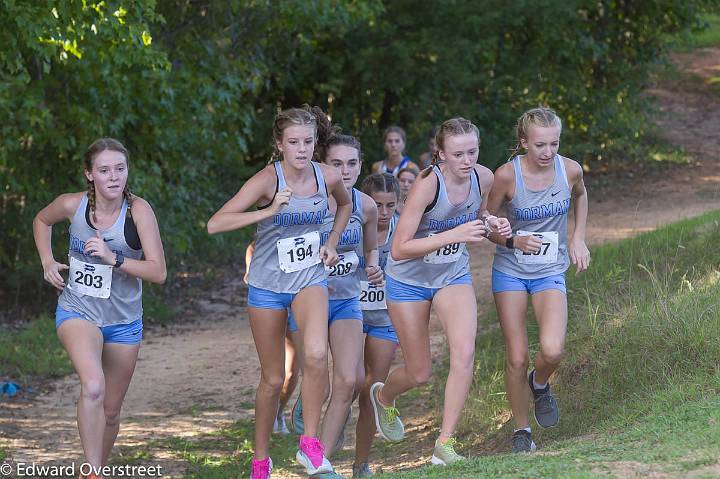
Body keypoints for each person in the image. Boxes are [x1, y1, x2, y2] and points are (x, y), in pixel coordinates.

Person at [207, 105, 351, 478]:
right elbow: (215, 223)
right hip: (267, 286)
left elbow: (346, 205)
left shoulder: (327, 176)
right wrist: (266, 211)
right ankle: (261, 459)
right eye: (293, 142)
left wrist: (332, 241)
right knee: (273, 379)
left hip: (309, 279)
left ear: (316, 142)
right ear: (279, 144)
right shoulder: (266, 181)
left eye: (308, 141)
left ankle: (311, 446)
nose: (302, 149)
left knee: (317, 356)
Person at [369, 118, 511, 465]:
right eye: (458, 154)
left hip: (451, 275)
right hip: (408, 280)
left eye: (472, 152)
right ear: (441, 154)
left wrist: (496, 225)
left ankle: (444, 444)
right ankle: (384, 397)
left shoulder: (484, 177)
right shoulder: (427, 185)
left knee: (464, 351)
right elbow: (400, 248)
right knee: (419, 373)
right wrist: (456, 234)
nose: (466, 160)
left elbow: (480, 218)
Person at [32, 138, 167, 479]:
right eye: (104, 170)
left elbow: (158, 272)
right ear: (89, 174)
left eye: (120, 169)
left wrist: (115, 258)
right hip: (78, 310)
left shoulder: (139, 211)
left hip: (123, 321)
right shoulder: (72, 205)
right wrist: (47, 260)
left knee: (110, 411)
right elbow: (41, 220)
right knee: (93, 386)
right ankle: (94, 473)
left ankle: (93, 470)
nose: (113, 177)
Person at [485, 107, 589, 453]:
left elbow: (581, 195)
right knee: (516, 356)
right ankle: (521, 430)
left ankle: (540, 383)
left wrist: (577, 237)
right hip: (511, 271)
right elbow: (486, 220)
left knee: (553, 349)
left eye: (554, 144)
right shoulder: (506, 176)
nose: (548, 152)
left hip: (549, 270)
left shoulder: (570, 170)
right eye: (540, 145)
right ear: (524, 142)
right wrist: (510, 238)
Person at [289, 134, 383, 463]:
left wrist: (372, 266)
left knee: (350, 380)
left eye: (352, 163)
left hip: (346, 301)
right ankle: (308, 405)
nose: (345, 171)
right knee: (323, 383)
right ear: (321, 164)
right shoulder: (301, 202)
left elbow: (370, 249)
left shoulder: (366, 205)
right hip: (306, 302)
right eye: (336, 163)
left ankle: (318, 459)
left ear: (361, 165)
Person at [352, 173, 401, 478]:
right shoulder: (350, 226)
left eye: (390, 205)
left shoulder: (405, 228)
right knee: (351, 381)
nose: (383, 213)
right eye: (378, 205)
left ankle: (361, 465)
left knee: (371, 390)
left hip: (385, 318)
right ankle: (321, 455)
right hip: (351, 313)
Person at [244, 240, 297, 436]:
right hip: (272, 298)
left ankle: (279, 410)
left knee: (291, 372)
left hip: (302, 296)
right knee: (273, 375)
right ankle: (267, 419)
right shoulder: (278, 218)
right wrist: (250, 268)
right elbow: (253, 246)